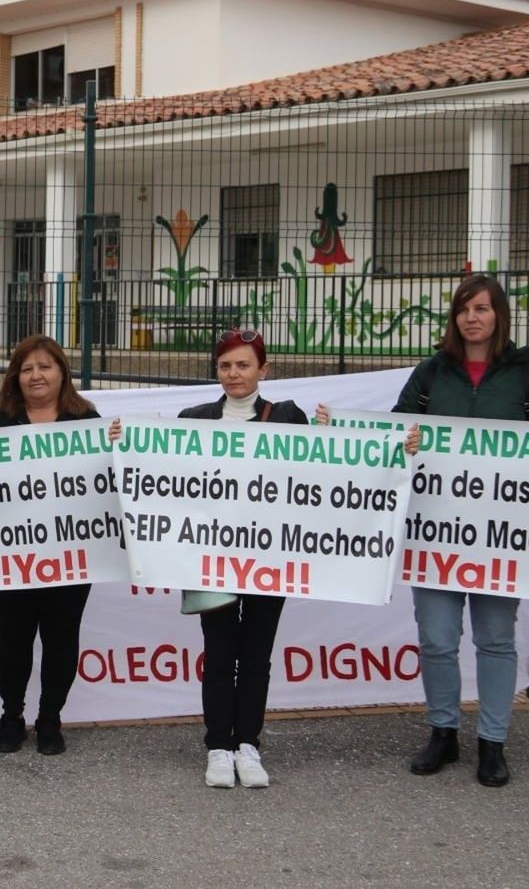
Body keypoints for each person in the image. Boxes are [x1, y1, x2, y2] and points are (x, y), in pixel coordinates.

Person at [389, 273, 529, 787]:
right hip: (437, 530)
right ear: (454, 317)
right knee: (437, 638)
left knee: (495, 638)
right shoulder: (431, 371)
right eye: (464, 309)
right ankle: (443, 732)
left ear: (498, 315)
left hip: (500, 535)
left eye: (482, 308)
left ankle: (493, 741)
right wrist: (410, 438)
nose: (472, 318)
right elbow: (398, 428)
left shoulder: (527, 374)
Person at [175, 329, 306, 789]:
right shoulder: (192, 419)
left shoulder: (290, 419)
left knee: (256, 655)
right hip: (210, 557)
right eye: (226, 366)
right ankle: (217, 746)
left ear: (263, 370)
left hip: (271, 556)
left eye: (243, 365)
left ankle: (247, 744)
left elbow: (321, 474)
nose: (234, 374)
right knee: (219, 651)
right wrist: (123, 439)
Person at [0, 335, 98, 755]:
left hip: (72, 556)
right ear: (15, 377)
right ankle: (12, 716)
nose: (36, 375)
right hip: (15, 555)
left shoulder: (86, 422)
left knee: (62, 638)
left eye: (45, 366)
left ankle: (50, 718)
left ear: (62, 372)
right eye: (26, 368)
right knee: (14, 637)